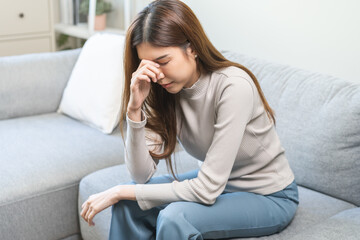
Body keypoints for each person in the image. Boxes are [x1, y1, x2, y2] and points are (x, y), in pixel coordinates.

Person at [80, 0, 299, 239]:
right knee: (129, 204)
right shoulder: (160, 89)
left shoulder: (233, 86)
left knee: (174, 218)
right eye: (150, 65)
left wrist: (121, 190)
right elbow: (141, 176)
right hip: (220, 185)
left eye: (163, 61)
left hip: (268, 195)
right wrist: (134, 110)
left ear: (192, 48)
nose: (157, 74)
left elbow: (207, 189)